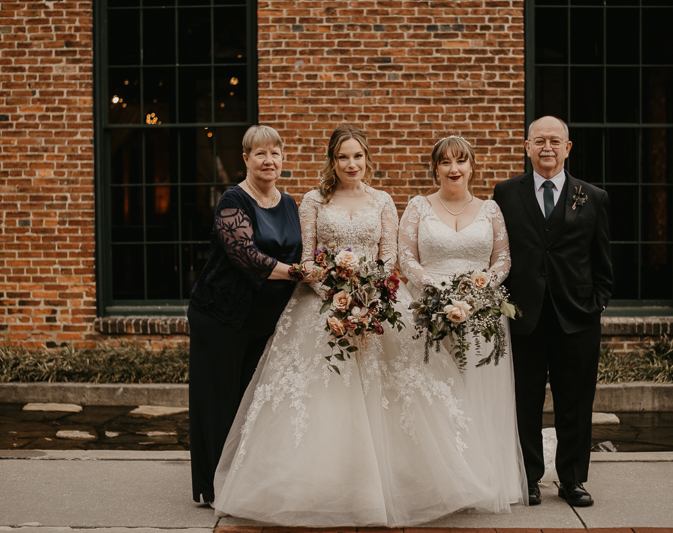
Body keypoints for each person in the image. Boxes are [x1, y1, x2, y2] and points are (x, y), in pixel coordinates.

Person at [212, 124, 499, 526]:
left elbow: (388, 258)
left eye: (358, 156)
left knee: (399, 400)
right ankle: (315, 486)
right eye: (343, 156)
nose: (351, 164)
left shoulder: (383, 201)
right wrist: (334, 294)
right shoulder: (313, 200)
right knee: (320, 397)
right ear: (333, 160)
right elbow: (307, 257)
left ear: (367, 159)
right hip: (321, 304)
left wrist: (371, 296)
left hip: (378, 305)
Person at [398, 135, 528, 510]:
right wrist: (434, 288)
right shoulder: (418, 207)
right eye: (445, 162)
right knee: (435, 395)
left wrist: (481, 290)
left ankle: (482, 477)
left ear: (472, 166)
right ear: (435, 168)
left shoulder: (490, 210)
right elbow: (406, 258)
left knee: (477, 394)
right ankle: (437, 481)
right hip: (429, 312)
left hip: (481, 314)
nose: (454, 169)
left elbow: (502, 260)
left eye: (461, 161)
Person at [493, 116, 613, 507]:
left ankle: (573, 480)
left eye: (555, 141)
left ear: (568, 147)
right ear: (527, 147)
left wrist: (597, 304)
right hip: (524, 316)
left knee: (576, 403)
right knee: (524, 400)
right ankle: (527, 477)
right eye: (539, 140)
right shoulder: (506, 193)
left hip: (576, 318)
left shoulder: (592, 196)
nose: (547, 147)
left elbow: (603, 262)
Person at [187, 125, 303, 506]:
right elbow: (245, 256)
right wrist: (294, 272)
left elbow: (302, 252)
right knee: (220, 401)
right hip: (222, 316)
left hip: (264, 322)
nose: (269, 161)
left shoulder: (289, 204)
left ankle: (246, 482)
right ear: (246, 159)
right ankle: (213, 488)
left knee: (254, 402)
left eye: (275, 153)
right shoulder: (232, 201)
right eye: (260, 154)